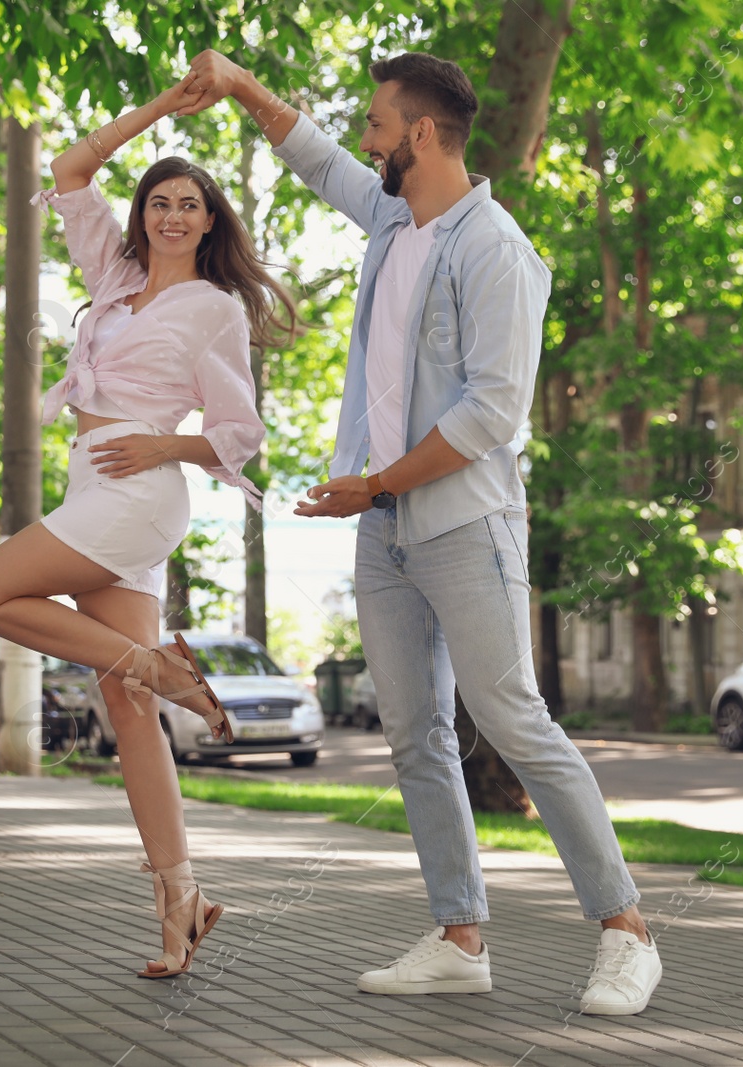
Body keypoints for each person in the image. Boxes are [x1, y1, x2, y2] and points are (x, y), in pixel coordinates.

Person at [173, 50, 663, 1015]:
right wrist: (238, 86)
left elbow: (491, 414)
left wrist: (377, 483)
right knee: (415, 735)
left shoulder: (496, 251)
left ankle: (627, 931)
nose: (364, 138)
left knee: (514, 719)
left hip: (466, 523)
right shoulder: (396, 218)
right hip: (385, 529)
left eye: (376, 124)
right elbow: (314, 159)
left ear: (420, 135)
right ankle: (459, 934)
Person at [0, 79, 298, 979]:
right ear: (142, 216)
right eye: (160, 201)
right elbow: (70, 167)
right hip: (93, 485)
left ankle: (157, 663)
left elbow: (240, 433)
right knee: (129, 706)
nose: (174, 214)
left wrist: (163, 444)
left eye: (191, 204)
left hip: (138, 493)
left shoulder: (216, 309)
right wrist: (158, 112)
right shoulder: (115, 278)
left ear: (211, 222)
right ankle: (181, 904)